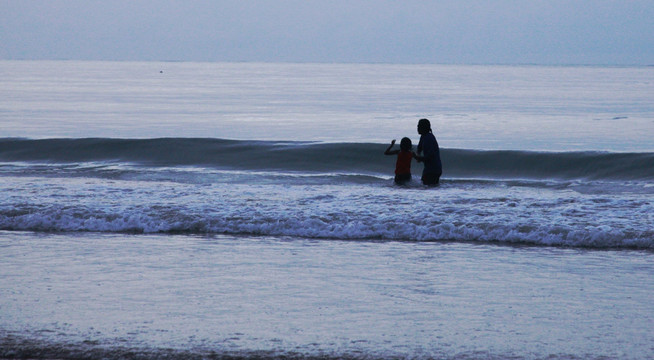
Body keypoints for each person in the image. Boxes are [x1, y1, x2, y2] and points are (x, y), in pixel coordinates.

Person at [414, 118, 442, 185]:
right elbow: (419, 148)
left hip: (434, 169)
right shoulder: (423, 137)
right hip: (428, 169)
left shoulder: (429, 138)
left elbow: (430, 156)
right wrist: (418, 154)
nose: (417, 128)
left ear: (424, 128)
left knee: (428, 187)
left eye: (419, 126)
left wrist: (418, 158)